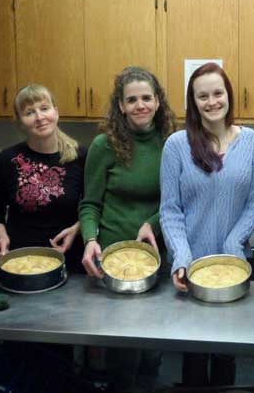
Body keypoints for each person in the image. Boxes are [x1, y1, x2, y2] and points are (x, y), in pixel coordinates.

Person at [160, 62, 254, 387]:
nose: (212, 101)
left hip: (234, 269)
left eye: (218, 93)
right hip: (191, 268)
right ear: (193, 102)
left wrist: (234, 245)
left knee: (225, 353)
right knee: (193, 354)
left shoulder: (250, 141)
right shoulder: (176, 145)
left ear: (229, 95)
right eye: (202, 96)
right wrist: (182, 257)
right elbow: (170, 211)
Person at [79, 66, 176, 393]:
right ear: (120, 105)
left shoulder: (172, 143)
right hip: (113, 262)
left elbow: (177, 201)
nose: (140, 105)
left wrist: (152, 223)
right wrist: (90, 239)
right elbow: (90, 204)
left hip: (155, 257)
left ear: (158, 101)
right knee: (123, 355)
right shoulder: (104, 145)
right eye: (131, 100)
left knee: (152, 350)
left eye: (146, 98)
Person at [0, 84, 86, 274]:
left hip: (70, 256)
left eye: (44, 108)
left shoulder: (81, 156)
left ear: (56, 111)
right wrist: (1, 236)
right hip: (21, 261)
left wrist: (78, 228)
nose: (40, 117)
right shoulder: (6, 161)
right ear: (20, 121)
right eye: (29, 112)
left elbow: (95, 206)